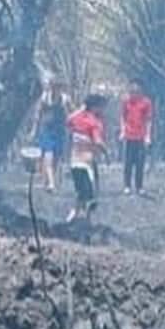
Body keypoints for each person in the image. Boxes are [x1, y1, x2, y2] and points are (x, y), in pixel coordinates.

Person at [65, 92, 108, 223]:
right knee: (90, 194)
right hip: (87, 164)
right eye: (101, 107)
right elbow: (98, 141)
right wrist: (106, 152)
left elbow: (68, 120)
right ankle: (82, 218)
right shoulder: (94, 122)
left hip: (74, 162)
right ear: (95, 107)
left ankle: (74, 215)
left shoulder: (77, 118)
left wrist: (81, 109)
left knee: (82, 192)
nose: (103, 110)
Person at [33, 76, 70, 191]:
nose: (56, 89)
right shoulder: (44, 98)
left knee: (56, 158)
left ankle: (48, 180)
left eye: (58, 87)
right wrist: (34, 130)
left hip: (60, 131)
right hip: (46, 130)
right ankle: (51, 183)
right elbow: (38, 114)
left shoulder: (65, 99)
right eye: (54, 87)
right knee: (48, 155)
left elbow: (71, 113)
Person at [119, 78, 153, 195]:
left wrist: (148, 136)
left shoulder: (146, 102)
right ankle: (127, 186)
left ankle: (139, 187)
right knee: (128, 162)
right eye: (132, 90)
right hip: (129, 136)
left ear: (141, 90)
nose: (134, 92)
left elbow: (148, 120)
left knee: (140, 163)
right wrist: (122, 131)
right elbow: (122, 117)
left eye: (136, 90)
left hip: (141, 136)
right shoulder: (126, 101)